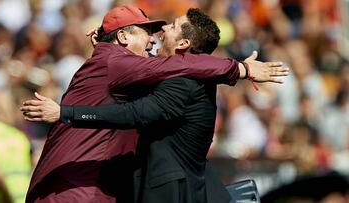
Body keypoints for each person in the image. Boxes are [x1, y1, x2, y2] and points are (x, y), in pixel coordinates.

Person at [22, 5, 287, 203]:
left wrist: (64, 112)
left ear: (184, 43)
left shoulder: (182, 79)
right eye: (146, 31)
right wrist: (240, 68)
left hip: (160, 192)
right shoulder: (121, 64)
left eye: (169, 27)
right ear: (124, 38)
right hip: (76, 189)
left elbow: (139, 110)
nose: (156, 35)